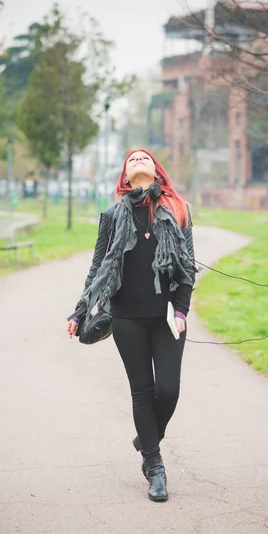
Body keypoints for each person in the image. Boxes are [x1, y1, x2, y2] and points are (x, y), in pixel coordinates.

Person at [66, 149, 196, 502]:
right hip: (126, 317)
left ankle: (147, 437)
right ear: (125, 174)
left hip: (168, 317)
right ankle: (154, 467)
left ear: (156, 170)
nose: (138, 159)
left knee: (168, 390)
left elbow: (187, 268)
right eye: (132, 158)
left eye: (145, 157)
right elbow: (99, 266)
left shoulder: (178, 210)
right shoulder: (112, 215)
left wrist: (182, 312)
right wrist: (80, 312)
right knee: (142, 391)